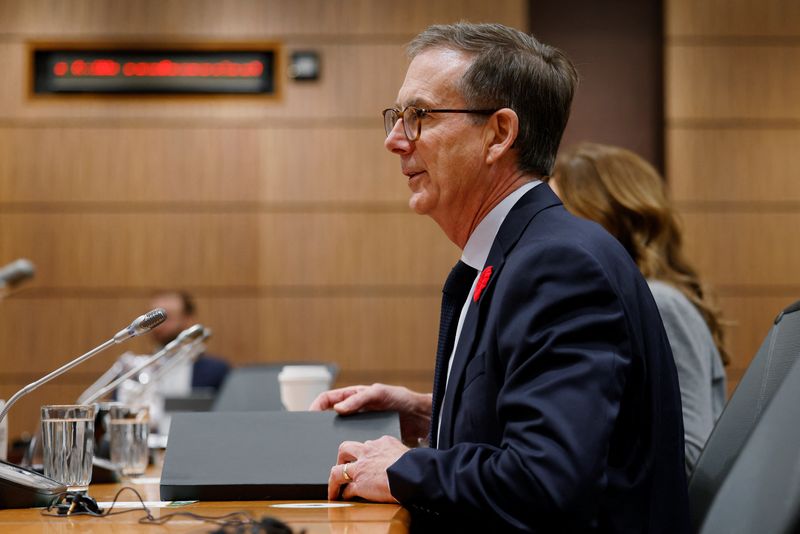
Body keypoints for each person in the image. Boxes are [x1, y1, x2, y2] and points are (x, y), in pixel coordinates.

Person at [311, 22, 690, 532]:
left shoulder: (558, 266)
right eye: (396, 117)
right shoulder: (522, 251)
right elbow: (546, 428)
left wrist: (406, 468)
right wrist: (432, 415)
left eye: (418, 116)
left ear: (499, 133)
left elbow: (545, 481)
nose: (396, 141)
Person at [548, 142, 728, 474]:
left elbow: (690, 455)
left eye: (561, 213)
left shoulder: (660, 302)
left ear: (612, 218)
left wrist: (567, 470)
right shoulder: (632, 300)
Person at [149, 290, 230, 392]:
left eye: (167, 318)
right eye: (153, 321)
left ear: (188, 320)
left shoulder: (217, 371)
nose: (158, 326)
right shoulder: (139, 369)